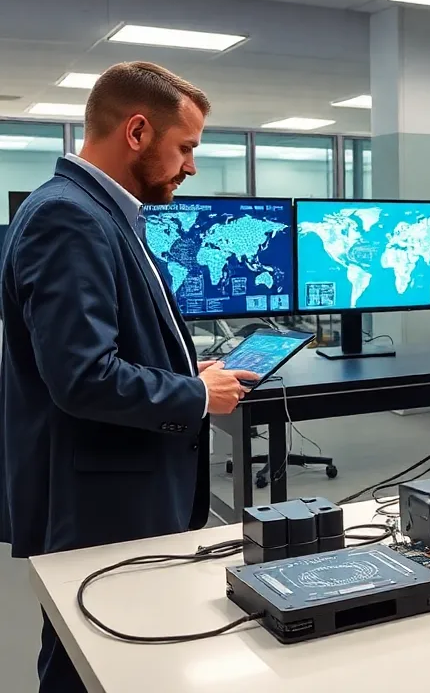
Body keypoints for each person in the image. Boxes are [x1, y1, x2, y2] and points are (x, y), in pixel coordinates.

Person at [0, 62, 257, 693]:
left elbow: (93, 348)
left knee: (113, 661)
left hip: (111, 492)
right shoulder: (71, 219)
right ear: (138, 132)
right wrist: (196, 394)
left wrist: (177, 368)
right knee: (86, 663)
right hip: (99, 505)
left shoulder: (101, 212)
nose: (191, 166)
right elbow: (81, 376)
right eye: (186, 147)